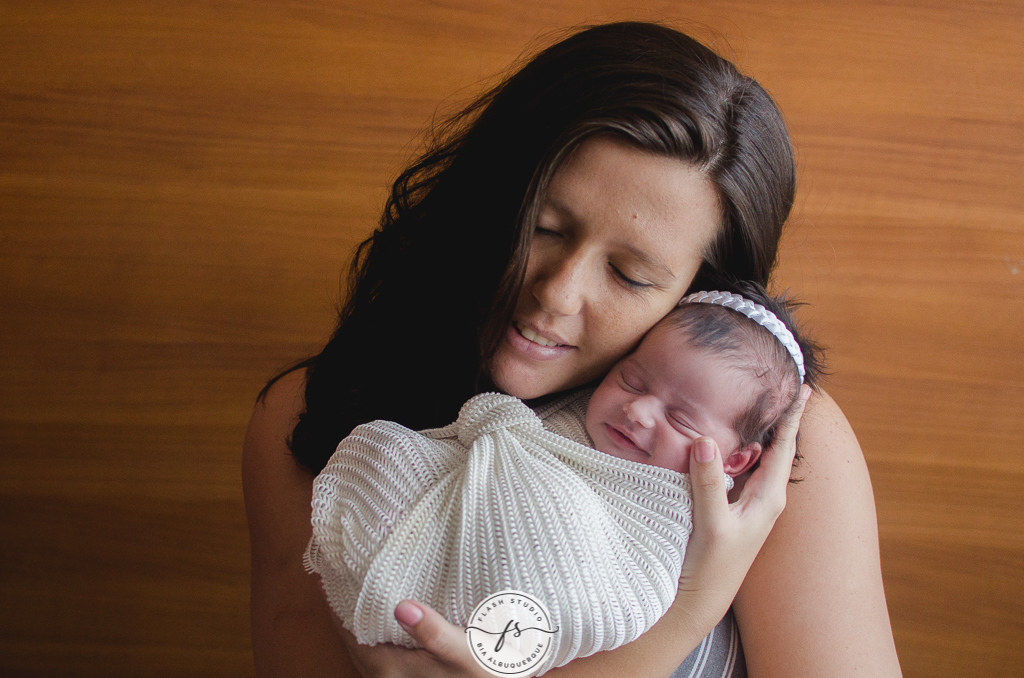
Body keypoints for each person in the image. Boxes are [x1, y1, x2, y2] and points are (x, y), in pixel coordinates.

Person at [243, 21, 902, 678]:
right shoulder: (310, 419)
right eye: (543, 227)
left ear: (699, 292)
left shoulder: (769, 451)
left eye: (630, 275)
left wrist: (694, 605)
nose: (557, 295)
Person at [305, 283, 825, 676]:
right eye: (631, 378)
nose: (639, 410)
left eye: (682, 420)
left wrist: (699, 599)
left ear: (736, 461)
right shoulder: (571, 411)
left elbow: (611, 583)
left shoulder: (701, 510)